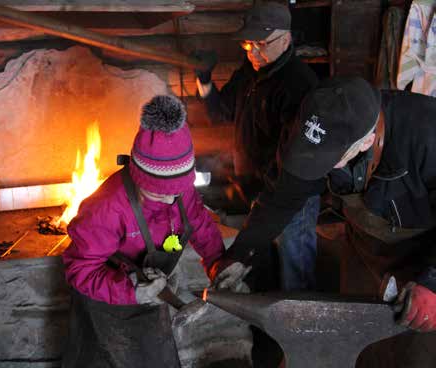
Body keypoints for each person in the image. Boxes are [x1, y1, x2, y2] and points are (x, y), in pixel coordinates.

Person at [210, 77, 436, 367]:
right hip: (365, 251)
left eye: (331, 159)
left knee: (414, 352)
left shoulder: (425, 131)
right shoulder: (309, 128)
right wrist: (240, 253)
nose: (318, 166)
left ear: (366, 141)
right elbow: (281, 198)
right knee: (356, 339)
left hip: (424, 254)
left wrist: (431, 281)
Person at [61, 95, 226, 368]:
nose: (172, 200)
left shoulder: (179, 191)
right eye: (159, 193)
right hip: (107, 305)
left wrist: (218, 263)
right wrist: (132, 292)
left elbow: (197, 221)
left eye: (178, 191)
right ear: (139, 176)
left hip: (150, 300)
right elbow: (80, 269)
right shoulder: (107, 208)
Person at [195, 1, 320, 292]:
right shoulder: (249, 72)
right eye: (248, 43)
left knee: (295, 272)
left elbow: (295, 161)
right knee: (266, 269)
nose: (252, 51)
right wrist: (203, 78)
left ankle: (301, 332)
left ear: (286, 39)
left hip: (289, 198)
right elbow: (221, 112)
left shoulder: (299, 85)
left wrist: (265, 194)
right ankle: (270, 329)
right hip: (257, 192)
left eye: (261, 43)